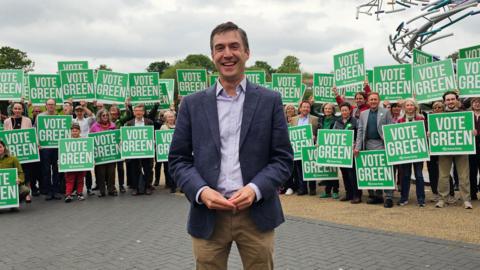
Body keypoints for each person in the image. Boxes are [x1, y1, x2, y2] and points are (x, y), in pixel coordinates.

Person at [169, 22, 293, 270]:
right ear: (212, 56)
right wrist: (202, 191)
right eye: (220, 48)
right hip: (208, 215)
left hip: (256, 214)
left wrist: (255, 189)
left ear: (247, 52)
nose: (227, 54)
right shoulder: (192, 105)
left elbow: (282, 159)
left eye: (234, 46)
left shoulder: (269, 101)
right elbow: (178, 160)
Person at [354, 92, 393, 208]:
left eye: (375, 99)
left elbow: (389, 129)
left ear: (378, 100)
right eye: (371, 99)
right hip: (368, 144)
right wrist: (357, 147)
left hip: (381, 144)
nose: (373, 101)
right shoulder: (363, 114)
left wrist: (389, 146)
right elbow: (360, 131)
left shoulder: (386, 112)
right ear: (368, 101)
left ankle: (389, 197)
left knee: (385, 170)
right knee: (370, 170)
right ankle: (375, 195)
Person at [435, 91, 473, 209]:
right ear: (444, 101)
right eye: (448, 100)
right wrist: (431, 133)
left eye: (452, 99)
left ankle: (466, 199)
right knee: (443, 176)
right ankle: (442, 199)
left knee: (464, 176)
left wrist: (473, 132)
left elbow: (471, 128)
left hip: (462, 149)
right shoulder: (438, 115)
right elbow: (435, 129)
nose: (450, 101)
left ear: (457, 100)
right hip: (444, 150)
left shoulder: (466, 114)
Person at [396, 98, 426, 207]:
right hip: (405, 152)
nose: (409, 107)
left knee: (419, 175)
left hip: (418, 151)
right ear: (404, 107)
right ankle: (404, 198)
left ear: (415, 107)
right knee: (405, 175)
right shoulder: (399, 120)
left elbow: (424, 133)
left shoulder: (421, 118)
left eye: (411, 105)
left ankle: (421, 199)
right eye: (407, 105)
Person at [3, 102, 34, 203]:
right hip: (12, 153)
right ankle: (14, 194)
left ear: (22, 110)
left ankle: (27, 193)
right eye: (15, 108)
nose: (17, 110)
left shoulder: (28, 120)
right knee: (15, 171)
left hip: (25, 152)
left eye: (19, 109)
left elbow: (30, 135)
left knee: (27, 172)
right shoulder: (7, 121)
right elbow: (5, 137)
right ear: (12, 109)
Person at [333, 102, 361, 203]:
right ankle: (348, 193)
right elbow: (332, 135)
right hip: (341, 152)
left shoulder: (355, 121)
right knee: (344, 173)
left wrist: (356, 146)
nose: (344, 112)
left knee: (352, 174)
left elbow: (359, 135)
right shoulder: (337, 122)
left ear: (350, 110)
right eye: (342, 110)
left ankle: (357, 195)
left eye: (346, 110)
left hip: (351, 151)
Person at [125, 104, 154, 196]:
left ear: (143, 112)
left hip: (146, 150)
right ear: (133, 112)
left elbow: (152, 134)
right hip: (134, 151)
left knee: (148, 169)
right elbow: (126, 136)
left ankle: (148, 187)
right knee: (134, 170)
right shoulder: (129, 123)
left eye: (140, 110)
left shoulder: (149, 122)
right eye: (136, 110)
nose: (138, 112)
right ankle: (135, 188)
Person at [290, 100, 318, 196]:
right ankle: (303, 188)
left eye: (308, 107)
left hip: (310, 147)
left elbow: (319, 131)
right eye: (304, 107)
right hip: (298, 148)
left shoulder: (315, 119)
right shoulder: (294, 119)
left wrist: (315, 137)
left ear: (310, 109)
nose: (306, 108)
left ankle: (312, 188)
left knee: (311, 167)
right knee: (299, 168)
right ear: (300, 108)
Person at [90, 109, 117, 197]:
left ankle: (111, 189)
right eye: (103, 115)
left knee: (111, 172)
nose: (105, 117)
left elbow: (116, 138)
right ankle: (102, 191)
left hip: (111, 154)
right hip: (99, 154)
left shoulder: (113, 126)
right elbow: (91, 140)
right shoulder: (94, 127)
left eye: (106, 115)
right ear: (99, 117)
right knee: (100, 173)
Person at [39, 99, 62, 201]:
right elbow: (36, 131)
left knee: (56, 169)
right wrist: (38, 143)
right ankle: (48, 191)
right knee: (46, 170)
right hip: (45, 149)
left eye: (52, 104)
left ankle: (56, 190)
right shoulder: (40, 117)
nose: (51, 106)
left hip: (57, 148)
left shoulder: (59, 118)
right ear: (46, 106)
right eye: (49, 104)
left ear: (55, 106)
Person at [317, 103, 339, 199]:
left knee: (333, 168)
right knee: (327, 169)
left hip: (332, 145)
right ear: (323, 110)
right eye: (326, 108)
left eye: (330, 108)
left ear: (333, 110)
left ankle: (335, 190)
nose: (327, 110)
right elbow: (318, 131)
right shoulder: (321, 119)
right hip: (322, 146)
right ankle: (327, 191)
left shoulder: (336, 120)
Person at [0, 140, 29, 206]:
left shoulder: (13, 159)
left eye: (0, 147)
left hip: (12, 186)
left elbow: (20, 172)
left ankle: (13, 203)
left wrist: (19, 180)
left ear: (4, 147)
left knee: (25, 190)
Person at [64, 123, 87, 202]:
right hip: (70, 165)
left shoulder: (84, 141)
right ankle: (68, 194)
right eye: (73, 131)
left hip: (81, 165)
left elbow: (87, 152)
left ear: (79, 131)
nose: (74, 132)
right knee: (70, 180)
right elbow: (63, 153)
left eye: (76, 131)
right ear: (70, 132)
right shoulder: (66, 141)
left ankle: (79, 193)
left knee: (80, 180)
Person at [159, 111, 176, 193]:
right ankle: (171, 185)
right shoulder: (163, 127)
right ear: (166, 118)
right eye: (169, 117)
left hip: (176, 151)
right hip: (166, 152)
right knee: (168, 169)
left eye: (172, 116)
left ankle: (178, 184)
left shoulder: (178, 126)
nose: (171, 118)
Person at [469, 97, 480, 201]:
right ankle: (473, 193)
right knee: (472, 172)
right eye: (475, 102)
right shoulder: (468, 115)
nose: (477, 104)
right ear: (472, 104)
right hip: (472, 149)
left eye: (479, 102)